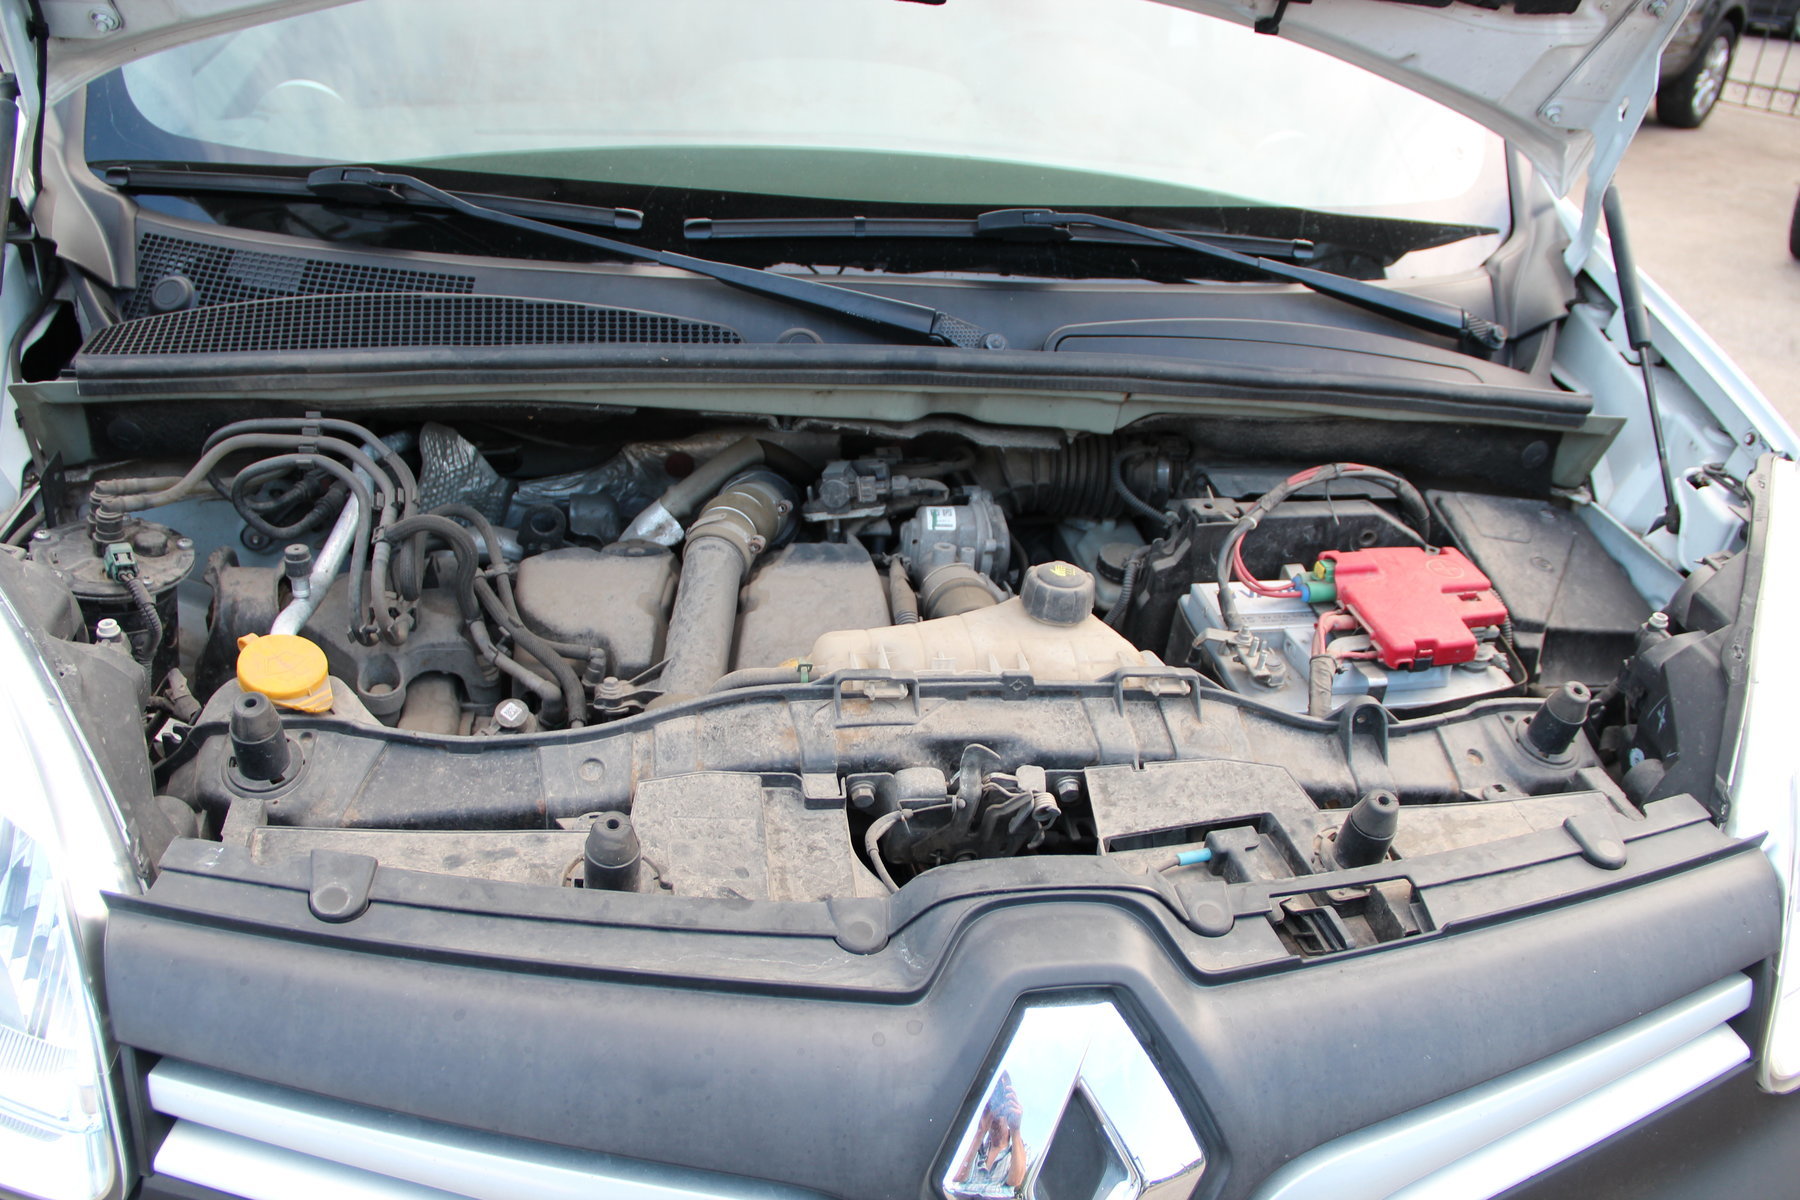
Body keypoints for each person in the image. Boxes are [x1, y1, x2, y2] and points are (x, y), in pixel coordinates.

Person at [951, 1071, 1029, 1197]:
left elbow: (1015, 1181)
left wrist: (1015, 1129)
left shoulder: (1021, 1149)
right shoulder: (972, 1145)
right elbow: (957, 1178)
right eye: (992, 1097)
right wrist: (980, 1131)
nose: (996, 1103)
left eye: (1001, 1095)